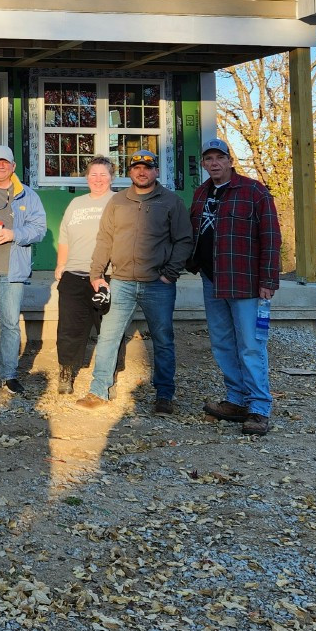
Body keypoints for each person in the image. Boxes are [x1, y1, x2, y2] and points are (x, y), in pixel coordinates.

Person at [80, 150, 192, 414]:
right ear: (130, 172)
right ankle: (99, 390)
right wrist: (96, 274)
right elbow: (104, 239)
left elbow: (184, 240)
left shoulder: (171, 202)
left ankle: (164, 395)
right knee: (108, 336)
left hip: (158, 284)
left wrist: (169, 273)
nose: (142, 172)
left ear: (155, 171)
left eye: (148, 167)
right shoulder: (117, 202)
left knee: (163, 338)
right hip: (121, 281)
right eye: (137, 167)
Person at [187, 139, 282, 436]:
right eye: (209, 159)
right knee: (222, 343)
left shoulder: (254, 191)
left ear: (230, 161)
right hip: (212, 281)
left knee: (251, 345)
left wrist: (268, 280)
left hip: (245, 282)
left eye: (220, 158)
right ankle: (236, 400)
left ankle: (259, 408)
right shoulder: (201, 193)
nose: (214, 163)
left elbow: (271, 238)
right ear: (203, 164)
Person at [0, 146, 47, 394]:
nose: (1, 167)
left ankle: (8, 374)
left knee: (11, 323)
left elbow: (40, 229)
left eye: (6, 163)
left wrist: (15, 234)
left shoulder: (28, 196)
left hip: (12, 267)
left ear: (13, 167)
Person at [52, 157, 116, 394]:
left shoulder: (118, 202)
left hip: (107, 276)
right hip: (74, 274)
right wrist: (61, 264)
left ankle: (109, 376)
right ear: (86, 177)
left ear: (112, 177)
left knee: (108, 328)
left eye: (103, 174)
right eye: (93, 175)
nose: (98, 179)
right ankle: (66, 372)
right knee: (68, 327)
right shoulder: (76, 204)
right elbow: (64, 236)